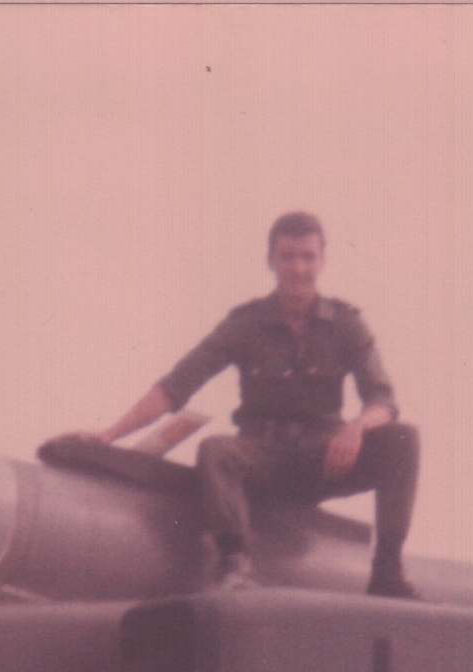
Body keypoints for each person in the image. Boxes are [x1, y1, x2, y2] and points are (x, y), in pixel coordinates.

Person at [56, 211, 419, 597]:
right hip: (262, 458)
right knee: (216, 450)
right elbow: (178, 385)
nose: (298, 268)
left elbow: (383, 399)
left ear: (322, 262)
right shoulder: (245, 324)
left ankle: (387, 572)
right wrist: (111, 433)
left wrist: (357, 427)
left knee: (402, 439)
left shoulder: (347, 324)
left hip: (323, 458)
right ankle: (234, 563)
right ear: (271, 260)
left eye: (308, 257)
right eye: (288, 257)